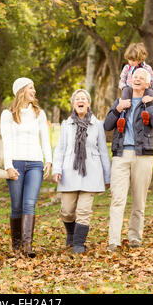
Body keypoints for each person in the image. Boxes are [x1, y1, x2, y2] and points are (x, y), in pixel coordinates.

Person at [104, 68, 153, 252]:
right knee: (117, 199)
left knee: (139, 200)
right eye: (134, 77)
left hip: (143, 155)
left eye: (141, 78)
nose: (137, 80)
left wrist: (151, 104)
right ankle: (114, 241)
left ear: (147, 84)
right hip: (121, 155)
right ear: (130, 81)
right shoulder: (121, 100)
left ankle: (135, 237)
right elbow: (107, 125)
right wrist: (117, 109)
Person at [52, 89, 111, 253]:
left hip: (91, 172)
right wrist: (56, 169)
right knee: (67, 211)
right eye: (77, 98)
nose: (80, 100)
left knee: (84, 211)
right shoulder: (66, 125)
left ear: (88, 103)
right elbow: (60, 149)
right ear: (73, 104)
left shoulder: (97, 125)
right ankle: (71, 235)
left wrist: (108, 176)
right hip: (69, 171)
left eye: (83, 98)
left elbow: (103, 151)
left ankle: (78, 244)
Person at [0, 77, 52, 258]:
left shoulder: (39, 113)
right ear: (22, 90)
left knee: (29, 203)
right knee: (16, 206)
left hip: (35, 163)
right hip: (16, 163)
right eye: (31, 87)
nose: (34, 91)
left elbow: (45, 139)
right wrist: (8, 166)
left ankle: (27, 245)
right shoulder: (8, 115)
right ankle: (16, 245)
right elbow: (6, 142)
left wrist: (49, 160)